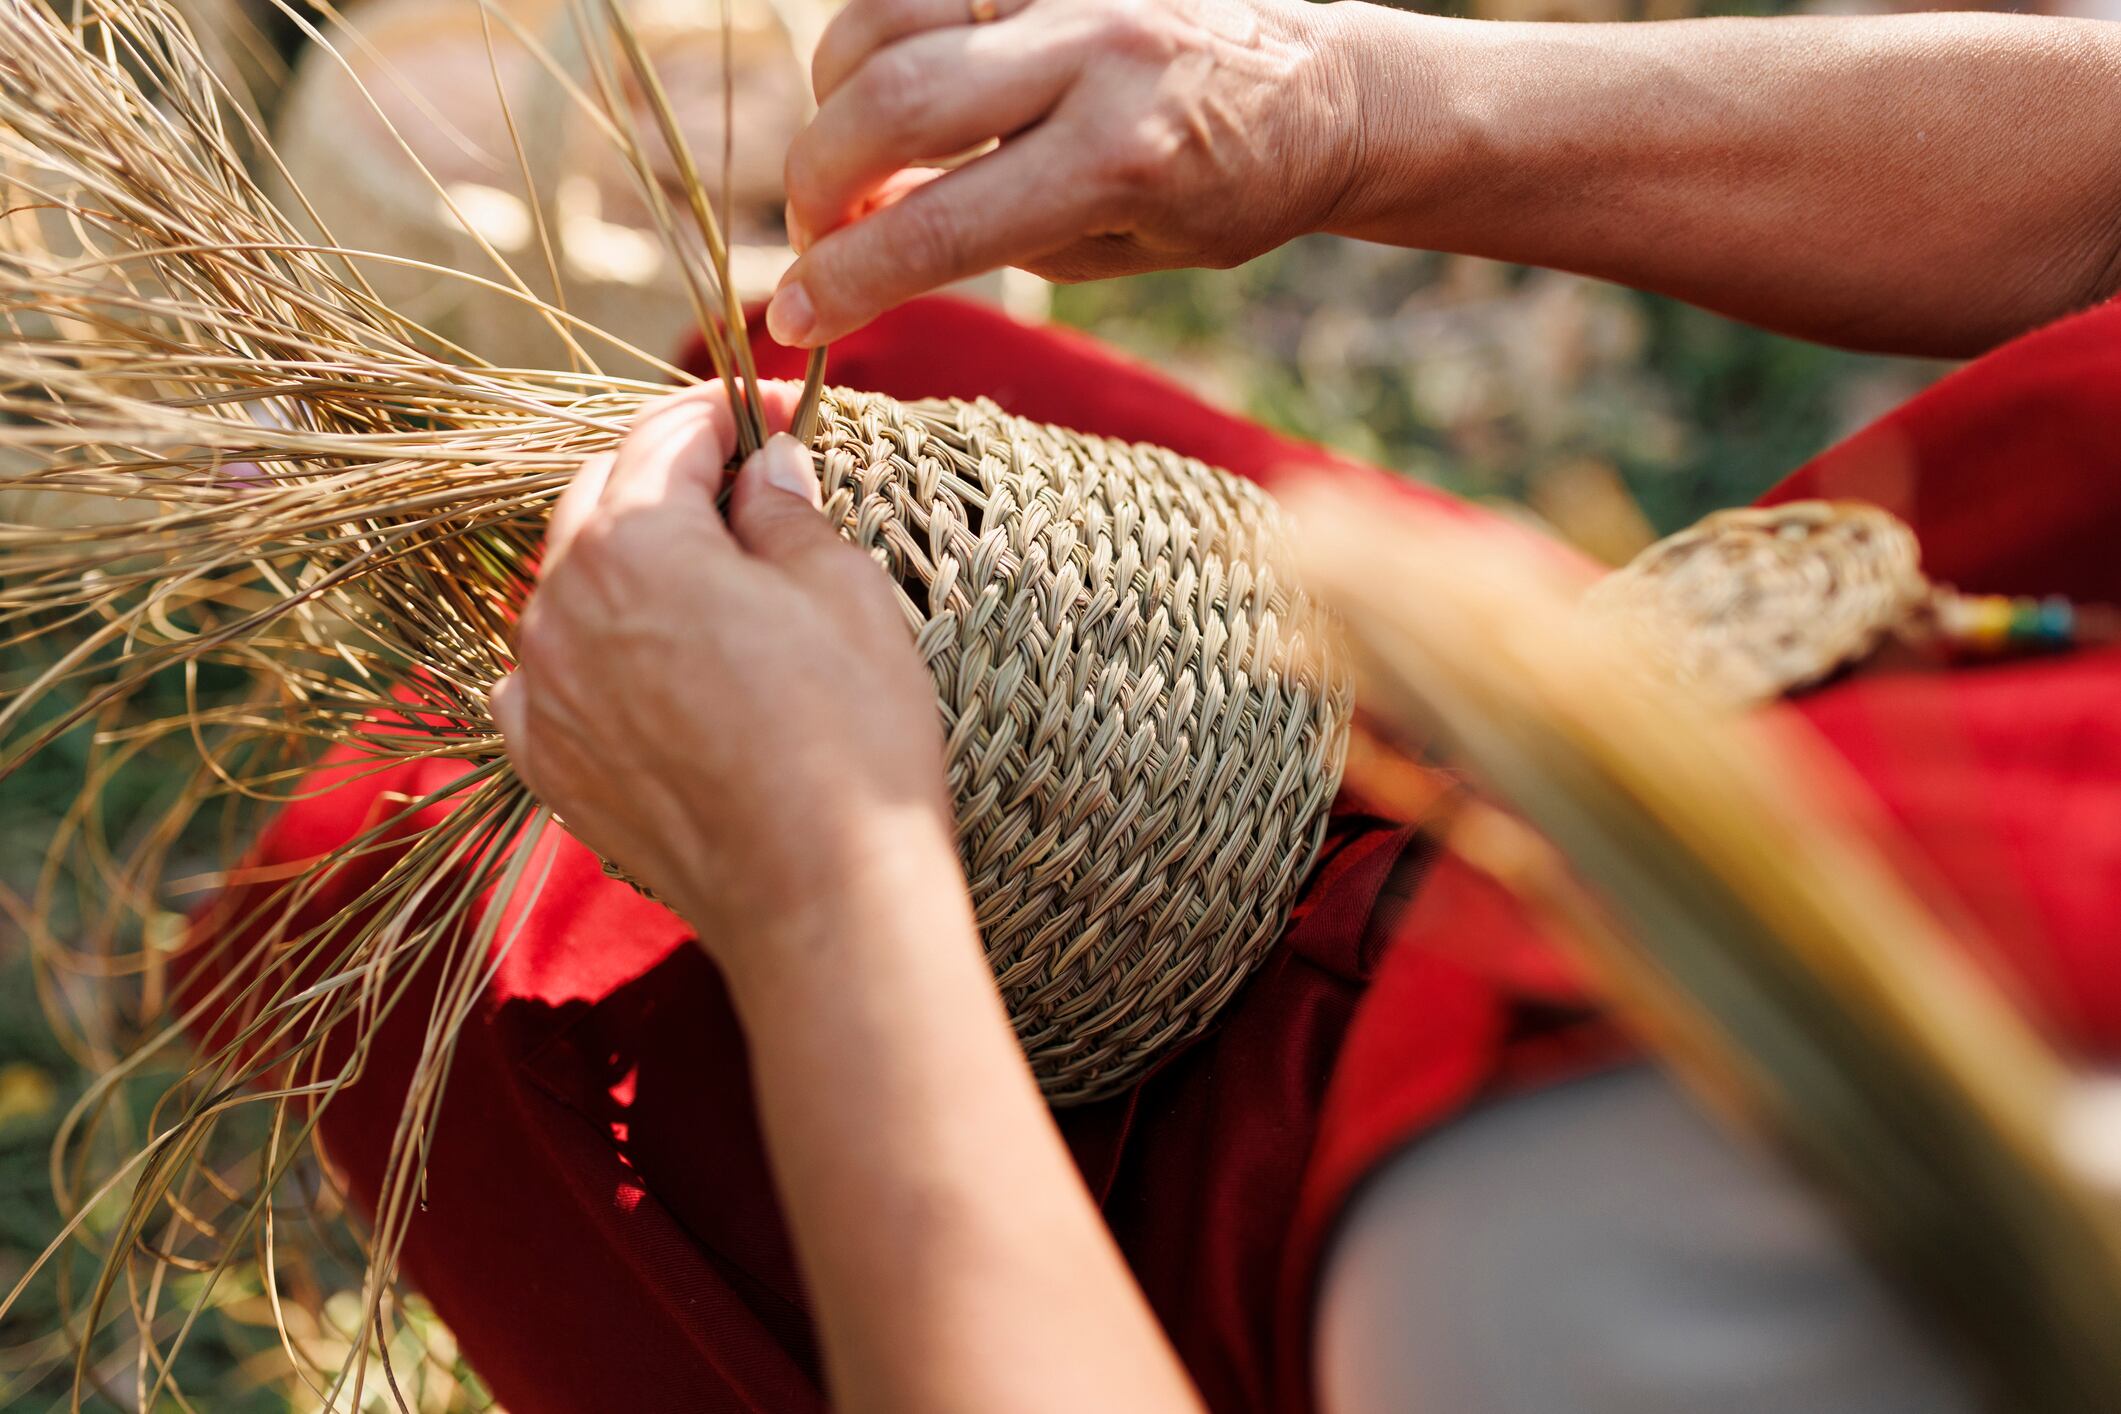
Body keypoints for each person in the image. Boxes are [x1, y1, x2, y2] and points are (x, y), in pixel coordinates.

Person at [201, 3, 2121, 1411]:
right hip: (1580, 736)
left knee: (408, 920)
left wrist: (829, 883)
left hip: (1190, 1277)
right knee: (862, 371)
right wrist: (1358, 105)